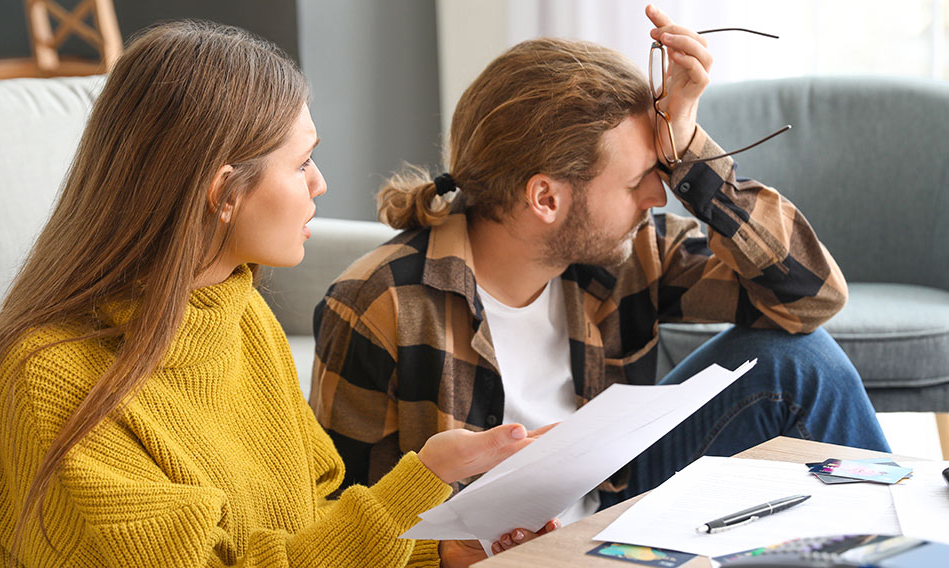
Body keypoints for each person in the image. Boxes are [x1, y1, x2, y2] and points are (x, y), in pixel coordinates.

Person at [0, 21, 555, 568]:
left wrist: (441, 550)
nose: (321, 182)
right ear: (224, 192)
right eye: (302, 163)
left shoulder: (242, 316)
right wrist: (423, 477)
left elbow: (307, 521)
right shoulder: (47, 380)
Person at [312, 4, 892, 525]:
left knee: (801, 360)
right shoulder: (379, 302)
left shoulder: (632, 252)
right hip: (478, 546)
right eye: (641, 178)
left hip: (611, 496)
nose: (658, 197)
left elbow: (811, 298)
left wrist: (689, 148)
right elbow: (341, 513)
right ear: (546, 198)